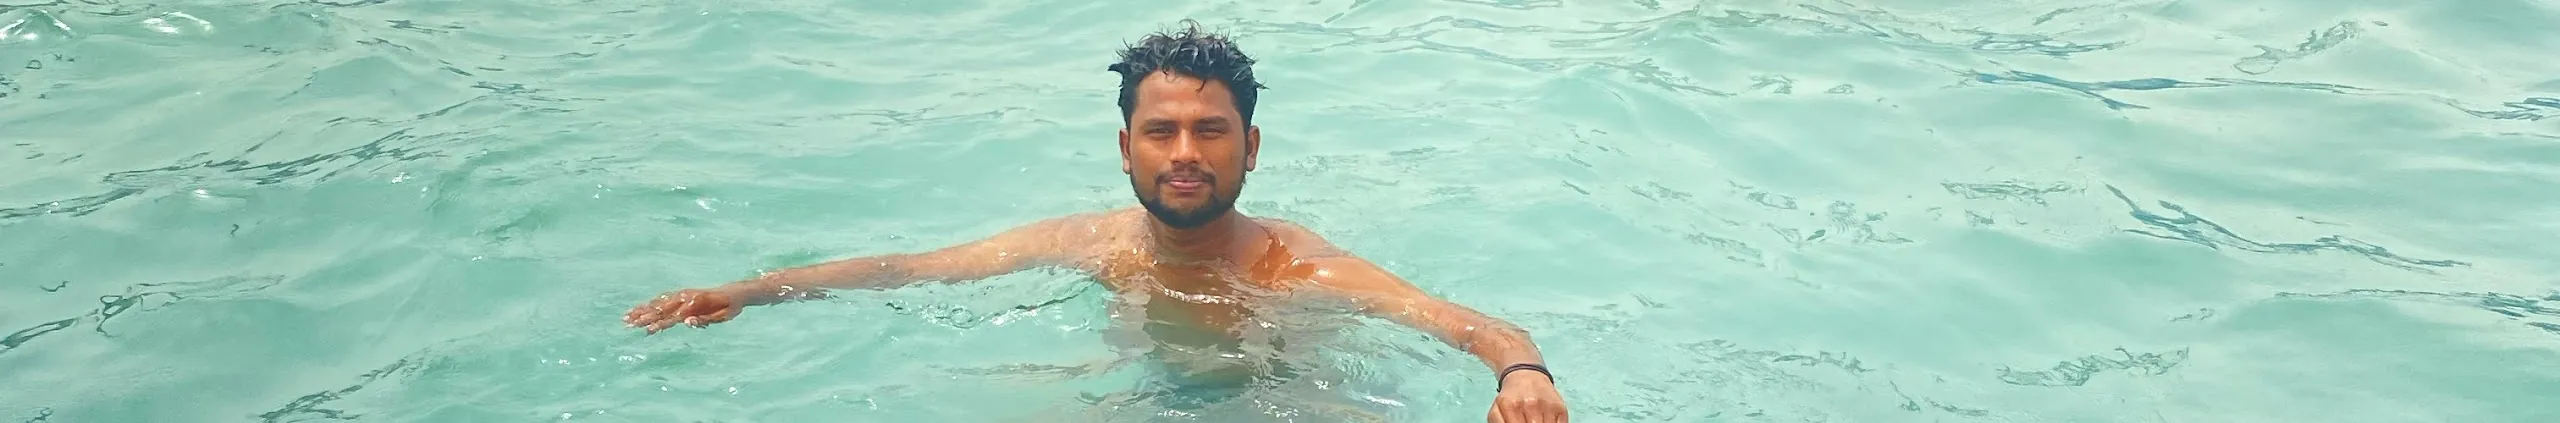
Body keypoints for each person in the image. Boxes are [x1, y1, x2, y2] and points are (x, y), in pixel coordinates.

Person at [622, 21, 1570, 423]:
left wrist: (1522, 373)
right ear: (1126, 150)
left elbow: (1472, 326)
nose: (1185, 152)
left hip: (1282, 398)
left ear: (1251, 148)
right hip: (1148, 392)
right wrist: (750, 290)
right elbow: (910, 269)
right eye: (1161, 131)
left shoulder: (1295, 268)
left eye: (1210, 131)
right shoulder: (1093, 243)